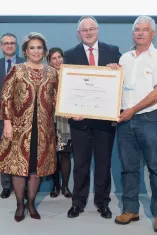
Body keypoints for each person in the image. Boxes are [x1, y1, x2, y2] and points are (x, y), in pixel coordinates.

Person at [113, 15, 157, 233]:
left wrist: (132, 111)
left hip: (149, 119)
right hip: (124, 121)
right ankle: (130, 209)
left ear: (153, 34)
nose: (140, 33)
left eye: (145, 30)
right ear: (133, 32)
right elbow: (116, 87)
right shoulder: (124, 59)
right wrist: (112, 72)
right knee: (129, 168)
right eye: (137, 29)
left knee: (156, 168)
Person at [64, 16, 121, 219]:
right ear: (78, 34)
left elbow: (119, 84)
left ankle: (102, 203)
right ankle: (78, 203)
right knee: (80, 164)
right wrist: (71, 110)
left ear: (98, 30)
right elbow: (68, 87)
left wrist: (118, 71)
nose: (88, 32)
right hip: (79, 122)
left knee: (103, 164)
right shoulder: (69, 54)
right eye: (84, 30)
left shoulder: (113, 51)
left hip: (105, 121)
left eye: (91, 28)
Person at [0, 32, 58, 222]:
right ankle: (19, 205)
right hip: (18, 129)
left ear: (44, 51)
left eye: (39, 47)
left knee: (36, 168)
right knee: (19, 168)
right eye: (32, 47)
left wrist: (75, 110)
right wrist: (7, 123)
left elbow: (58, 99)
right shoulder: (17, 69)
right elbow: (6, 98)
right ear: (25, 50)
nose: (35, 51)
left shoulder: (51, 72)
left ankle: (31, 203)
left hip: (44, 129)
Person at [0, 33, 25, 199]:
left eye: (12, 43)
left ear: (16, 46)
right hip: (1, 117)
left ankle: (22, 186)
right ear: (1, 46)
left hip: (23, 116)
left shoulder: (26, 63)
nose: (9, 46)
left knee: (23, 151)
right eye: (6, 43)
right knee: (3, 151)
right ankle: (6, 186)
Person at [47, 47, 72, 198]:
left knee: (65, 154)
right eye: (53, 58)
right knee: (52, 155)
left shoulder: (70, 74)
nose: (57, 60)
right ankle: (55, 186)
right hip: (49, 119)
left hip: (65, 121)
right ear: (49, 61)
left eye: (59, 57)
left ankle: (65, 187)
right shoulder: (46, 75)